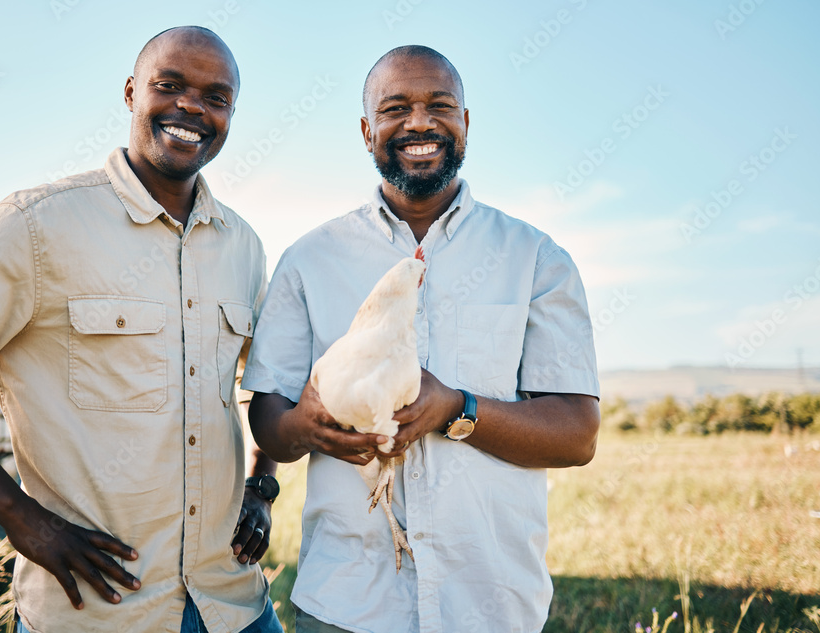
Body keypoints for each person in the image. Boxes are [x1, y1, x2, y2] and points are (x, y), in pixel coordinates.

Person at [0, 27, 283, 633]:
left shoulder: (242, 245)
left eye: (216, 97)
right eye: (170, 85)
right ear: (132, 92)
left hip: (234, 605)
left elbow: (268, 377)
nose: (192, 107)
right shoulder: (38, 224)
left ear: (230, 114)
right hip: (97, 612)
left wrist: (260, 487)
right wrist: (22, 520)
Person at [242, 45, 601, 633]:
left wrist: (455, 409)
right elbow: (269, 422)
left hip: (489, 604)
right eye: (395, 107)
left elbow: (576, 435)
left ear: (465, 123)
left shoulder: (535, 259)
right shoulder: (309, 259)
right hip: (346, 603)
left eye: (440, 104)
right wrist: (304, 427)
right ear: (366, 130)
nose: (418, 122)